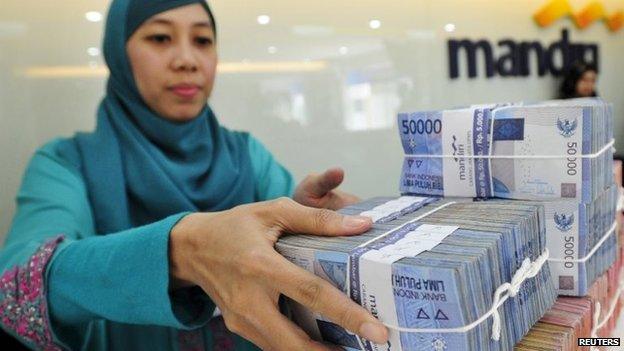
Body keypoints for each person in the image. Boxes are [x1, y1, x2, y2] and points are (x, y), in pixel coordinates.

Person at [0, 0, 389, 350]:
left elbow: (282, 252)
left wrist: (303, 231)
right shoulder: (66, 162)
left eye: (202, 41)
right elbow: (18, 284)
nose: (187, 59)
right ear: (119, 55)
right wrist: (180, 251)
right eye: (159, 38)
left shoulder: (245, 154)